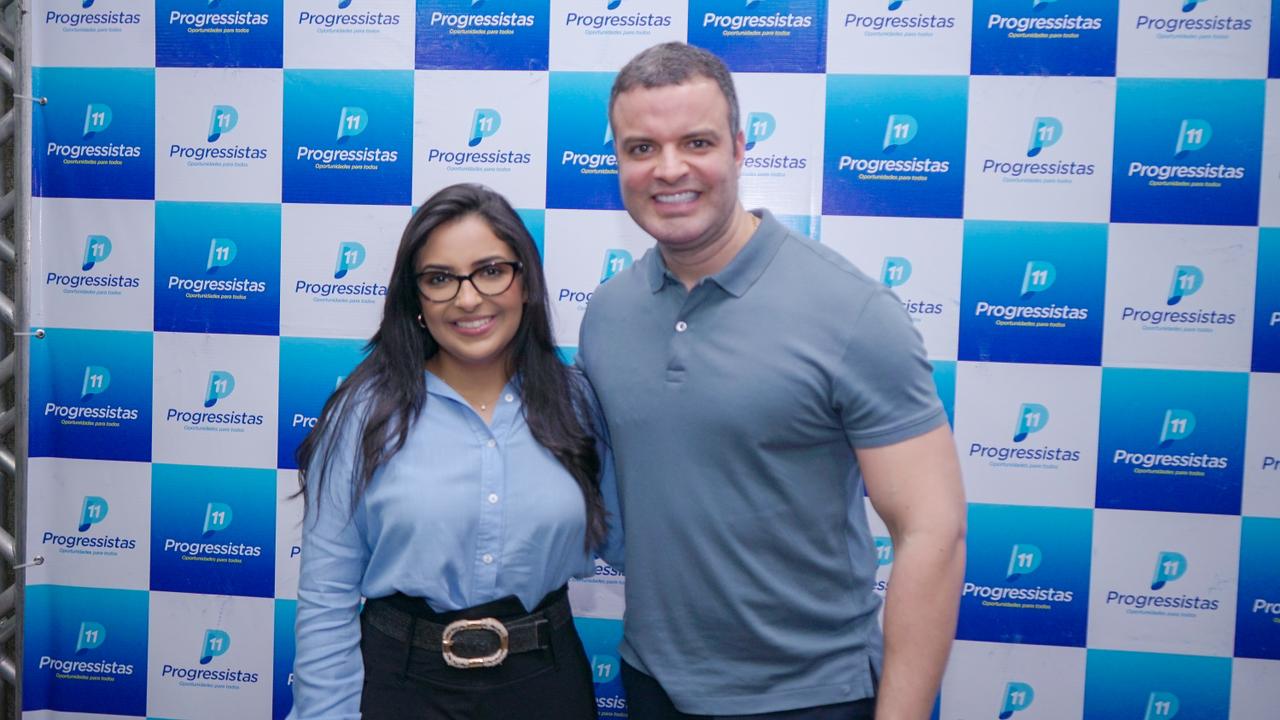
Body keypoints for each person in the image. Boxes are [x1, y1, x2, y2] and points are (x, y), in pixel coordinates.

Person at [576, 42, 967, 720]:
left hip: (812, 698)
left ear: (739, 148)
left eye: (696, 142)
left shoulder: (852, 310)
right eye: (641, 148)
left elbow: (933, 530)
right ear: (618, 161)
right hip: (653, 684)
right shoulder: (607, 314)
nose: (669, 169)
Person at [289, 183, 617, 720]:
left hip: (546, 685)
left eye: (490, 271)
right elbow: (327, 598)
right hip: (402, 687)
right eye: (440, 279)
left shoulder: (578, 403)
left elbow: (634, 544)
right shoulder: (362, 414)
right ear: (416, 299)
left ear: (526, 283)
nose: (467, 299)